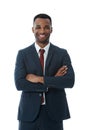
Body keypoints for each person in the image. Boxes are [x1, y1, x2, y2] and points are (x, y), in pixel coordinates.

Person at [14, 13, 75, 130]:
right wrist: (54, 79)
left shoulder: (62, 54)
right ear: (33, 29)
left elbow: (69, 81)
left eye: (46, 27)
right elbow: (20, 83)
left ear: (51, 30)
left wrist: (40, 79)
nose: (42, 31)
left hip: (54, 113)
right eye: (38, 27)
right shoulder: (22, 54)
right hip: (28, 114)